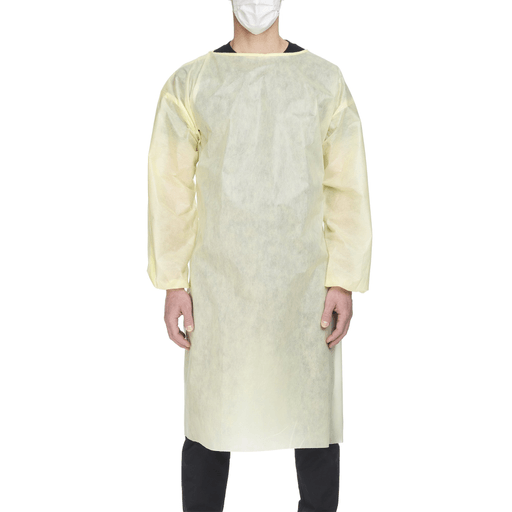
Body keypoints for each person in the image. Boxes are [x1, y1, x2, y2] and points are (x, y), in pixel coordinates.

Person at [147, 1, 372, 510]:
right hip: (220, 289)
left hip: (304, 286)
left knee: (313, 426)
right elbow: (170, 187)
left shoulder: (324, 82)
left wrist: (342, 278)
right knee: (209, 424)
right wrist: (174, 281)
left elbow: (347, 187)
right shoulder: (192, 85)